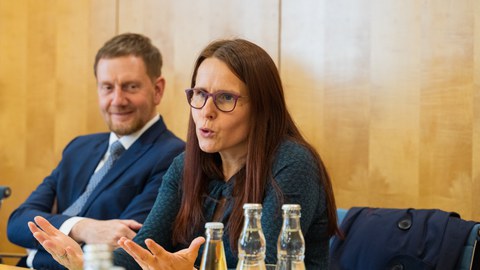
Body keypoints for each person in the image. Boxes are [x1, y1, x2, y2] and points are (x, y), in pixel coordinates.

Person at [28, 38, 340, 269]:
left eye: (226, 98)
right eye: (200, 94)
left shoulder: (293, 163)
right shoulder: (186, 165)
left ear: (261, 108)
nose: (206, 112)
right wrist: (86, 262)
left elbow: (267, 264)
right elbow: (142, 250)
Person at [8, 33, 185, 269]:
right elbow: (17, 222)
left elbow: (129, 251)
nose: (117, 100)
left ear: (158, 89)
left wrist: (34, 253)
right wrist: (85, 228)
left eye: (130, 87)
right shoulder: (78, 148)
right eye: (107, 87)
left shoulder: (175, 157)